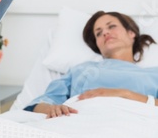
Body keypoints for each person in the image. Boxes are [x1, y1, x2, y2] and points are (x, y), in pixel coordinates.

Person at [24, 10, 158, 117]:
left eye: (111, 26)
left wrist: (124, 94)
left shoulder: (153, 74)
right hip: (82, 123)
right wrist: (52, 109)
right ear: (97, 44)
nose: (105, 32)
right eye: (98, 33)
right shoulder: (81, 70)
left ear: (131, 33)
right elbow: (41, 103)